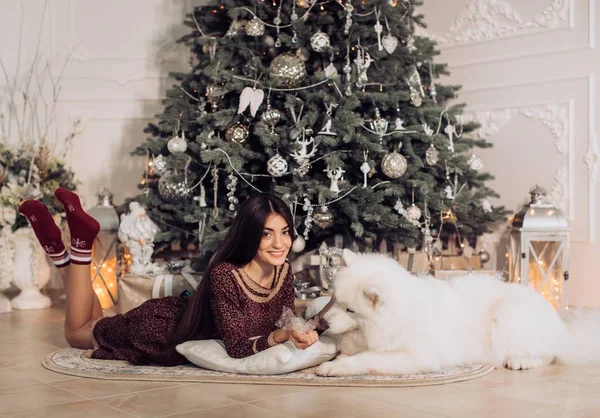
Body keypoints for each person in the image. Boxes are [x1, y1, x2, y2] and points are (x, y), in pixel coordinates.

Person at [19, 189, 319, 366]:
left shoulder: (282, 269)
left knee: (95, 320)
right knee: (76, 333)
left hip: (174, 317)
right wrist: (281, 336)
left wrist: (302, 327)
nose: (280, 244)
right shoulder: (225, 275)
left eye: (285, 232)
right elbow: (238, 348)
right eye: (267, 234)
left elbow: (283, 316)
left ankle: (57, 250)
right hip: (159, 331)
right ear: (250, 235)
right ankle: (81, 247)